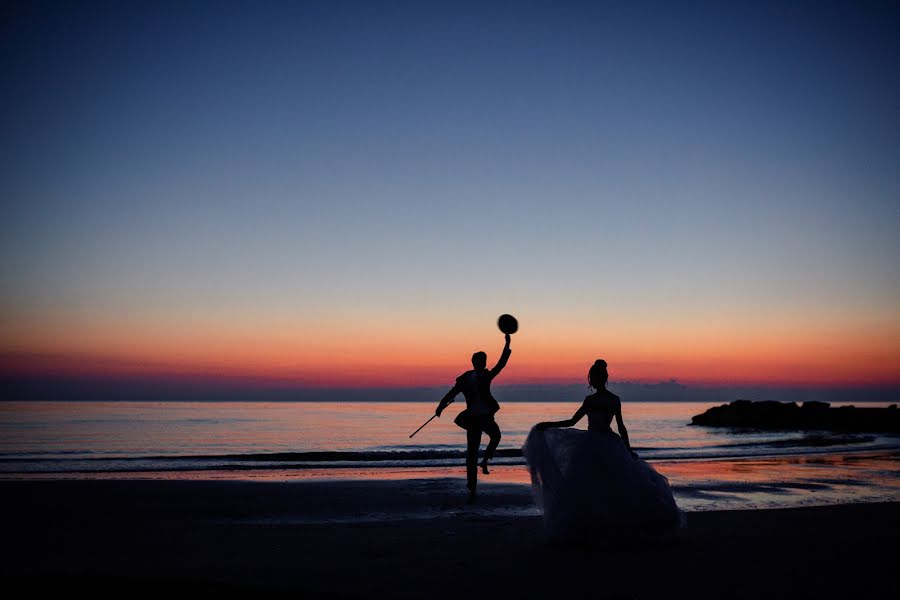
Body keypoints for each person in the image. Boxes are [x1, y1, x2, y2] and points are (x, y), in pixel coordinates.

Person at [523, 359, 682, 541]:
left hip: (590, 445)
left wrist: (546, 425)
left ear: (594, 379)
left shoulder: (591, 400)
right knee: (614, 487)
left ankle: (593, 526)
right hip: (610, 444)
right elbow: (621, 428)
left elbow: (571, 422)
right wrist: (628, 450)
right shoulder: (614, 399)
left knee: (589, 487)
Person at [435, 333, 511, 504]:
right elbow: (452, 393)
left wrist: (507, 346)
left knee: (494, 437)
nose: (484, 363)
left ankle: (484, 462)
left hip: (484, 417)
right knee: (473, 453)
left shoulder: (484, 375)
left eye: (484, 360)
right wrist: (441, 406)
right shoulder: (466, 378)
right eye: (482, 360)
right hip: (474, 419)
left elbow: (501, 365)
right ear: (476, 362)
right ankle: (472, 485)